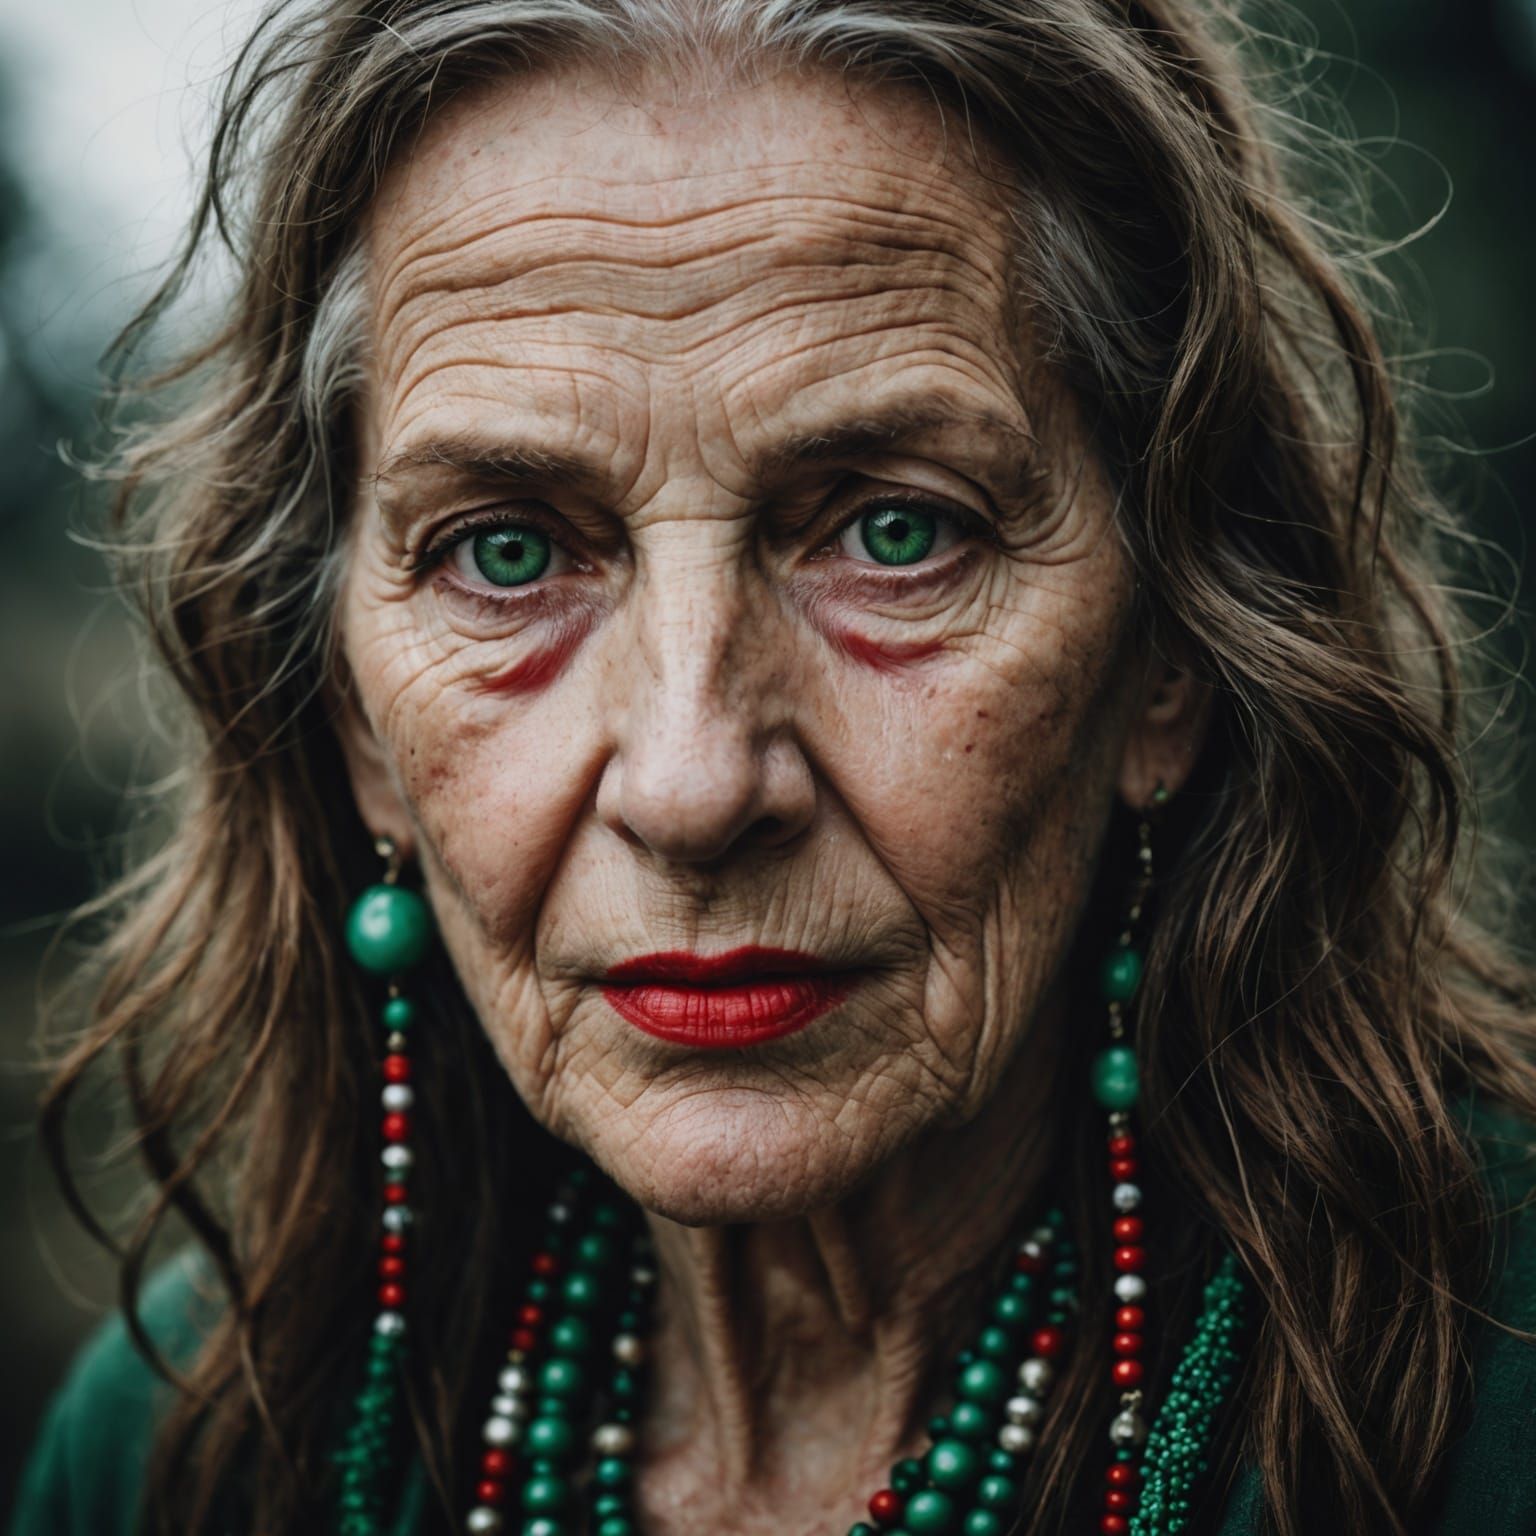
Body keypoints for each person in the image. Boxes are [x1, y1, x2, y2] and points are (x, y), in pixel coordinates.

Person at [13, 1, 1536, 1533]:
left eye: (897, 529)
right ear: (355, 723)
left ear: (1171, 655)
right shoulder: (192, 1452)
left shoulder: (1481, 1407)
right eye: (508, 550)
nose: (690, 788)